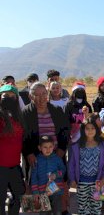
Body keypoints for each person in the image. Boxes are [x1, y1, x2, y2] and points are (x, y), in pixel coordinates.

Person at [22, 82, 70, 213]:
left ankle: (61, 210)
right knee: (36, 186)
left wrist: (61, 149)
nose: (41, 97)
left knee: (57, 187)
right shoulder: (26, 113)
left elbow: (65, 131)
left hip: (55, 156)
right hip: (35, 158)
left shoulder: (56, 110)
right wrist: (29, 153)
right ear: (31, 97)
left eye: (44, 93)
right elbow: (23, 137)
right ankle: (37, 210)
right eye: (36, 95)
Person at [68, 117, 104, 215]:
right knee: (83, 207)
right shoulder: (77, 146)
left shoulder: (102, 145)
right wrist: (72, 179)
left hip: (97, 183)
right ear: (83, 130)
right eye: (87, 128)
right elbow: (71, 164)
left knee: (96, 207)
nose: (90, 131)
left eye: (92, 128)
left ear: (96, 129)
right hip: (82, 182)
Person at [0, 84, 25, 215]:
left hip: (15, 165)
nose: (8, 98)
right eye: (5, 96)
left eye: (12, 96)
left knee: (18, 194)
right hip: (1, 166)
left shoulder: (18, 117)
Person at [31, 136, 66, 215]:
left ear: (54, 147)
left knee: (57, 211)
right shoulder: (37, 161)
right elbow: (34, 178)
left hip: (56, 190)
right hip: (42, 192)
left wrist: (56, 175)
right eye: (45, 147)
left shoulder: (57, 159)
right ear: (39, 148)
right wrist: (35, 192)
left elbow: (63, 171)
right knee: (44, 212)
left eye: (50, 147)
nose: (48, 149)